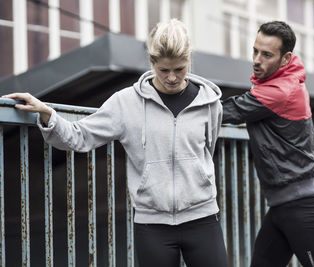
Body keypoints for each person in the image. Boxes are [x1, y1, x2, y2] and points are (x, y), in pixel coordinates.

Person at [3, 19, 228, 267]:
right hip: (152, 225)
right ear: (152, 63)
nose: (172, 78)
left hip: (203, 218)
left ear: (188, 60)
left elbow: (207, 149)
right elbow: (80, 136)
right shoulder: (125, 103)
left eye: (180, 69)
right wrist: (47, 114)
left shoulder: (209, 103)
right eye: (164, 70)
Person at [222, 21, 314, 267]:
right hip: (282, 206)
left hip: (300, 207)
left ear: (286, 58)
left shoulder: (280, 90)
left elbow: (225, 112)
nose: (256, 60)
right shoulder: (283, 83)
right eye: (255, 51)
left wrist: (181, 94)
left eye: (266, 55)